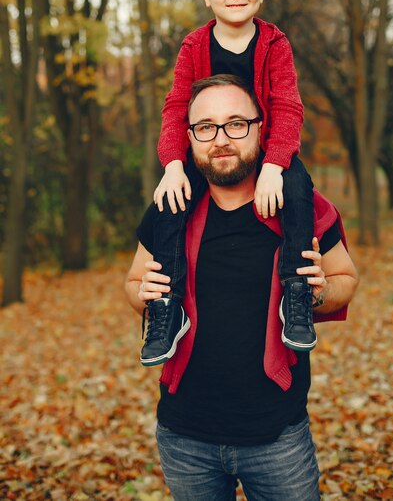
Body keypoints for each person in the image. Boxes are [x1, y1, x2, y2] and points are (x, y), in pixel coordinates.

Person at [125, 75, 359, 501]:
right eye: (205, 127)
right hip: (184, 438)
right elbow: (133, 281)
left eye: (236, 124)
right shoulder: (170, 205)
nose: (220, 139)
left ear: (260, 127)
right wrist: (141, 294)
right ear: (189, 136)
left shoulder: (301, 207)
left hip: (278, 439)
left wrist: (317, 291)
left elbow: (346, 279)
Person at [142, 0, 316, 367]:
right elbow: (176, 106)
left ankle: (296, 291)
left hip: (266, 150)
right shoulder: (193, 46)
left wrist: (275, 166)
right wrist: (173, 165)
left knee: (297, 187)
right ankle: (168, 304)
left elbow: (288, 107)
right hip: (207, 153)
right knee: (171, 201)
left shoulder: (275, 45)